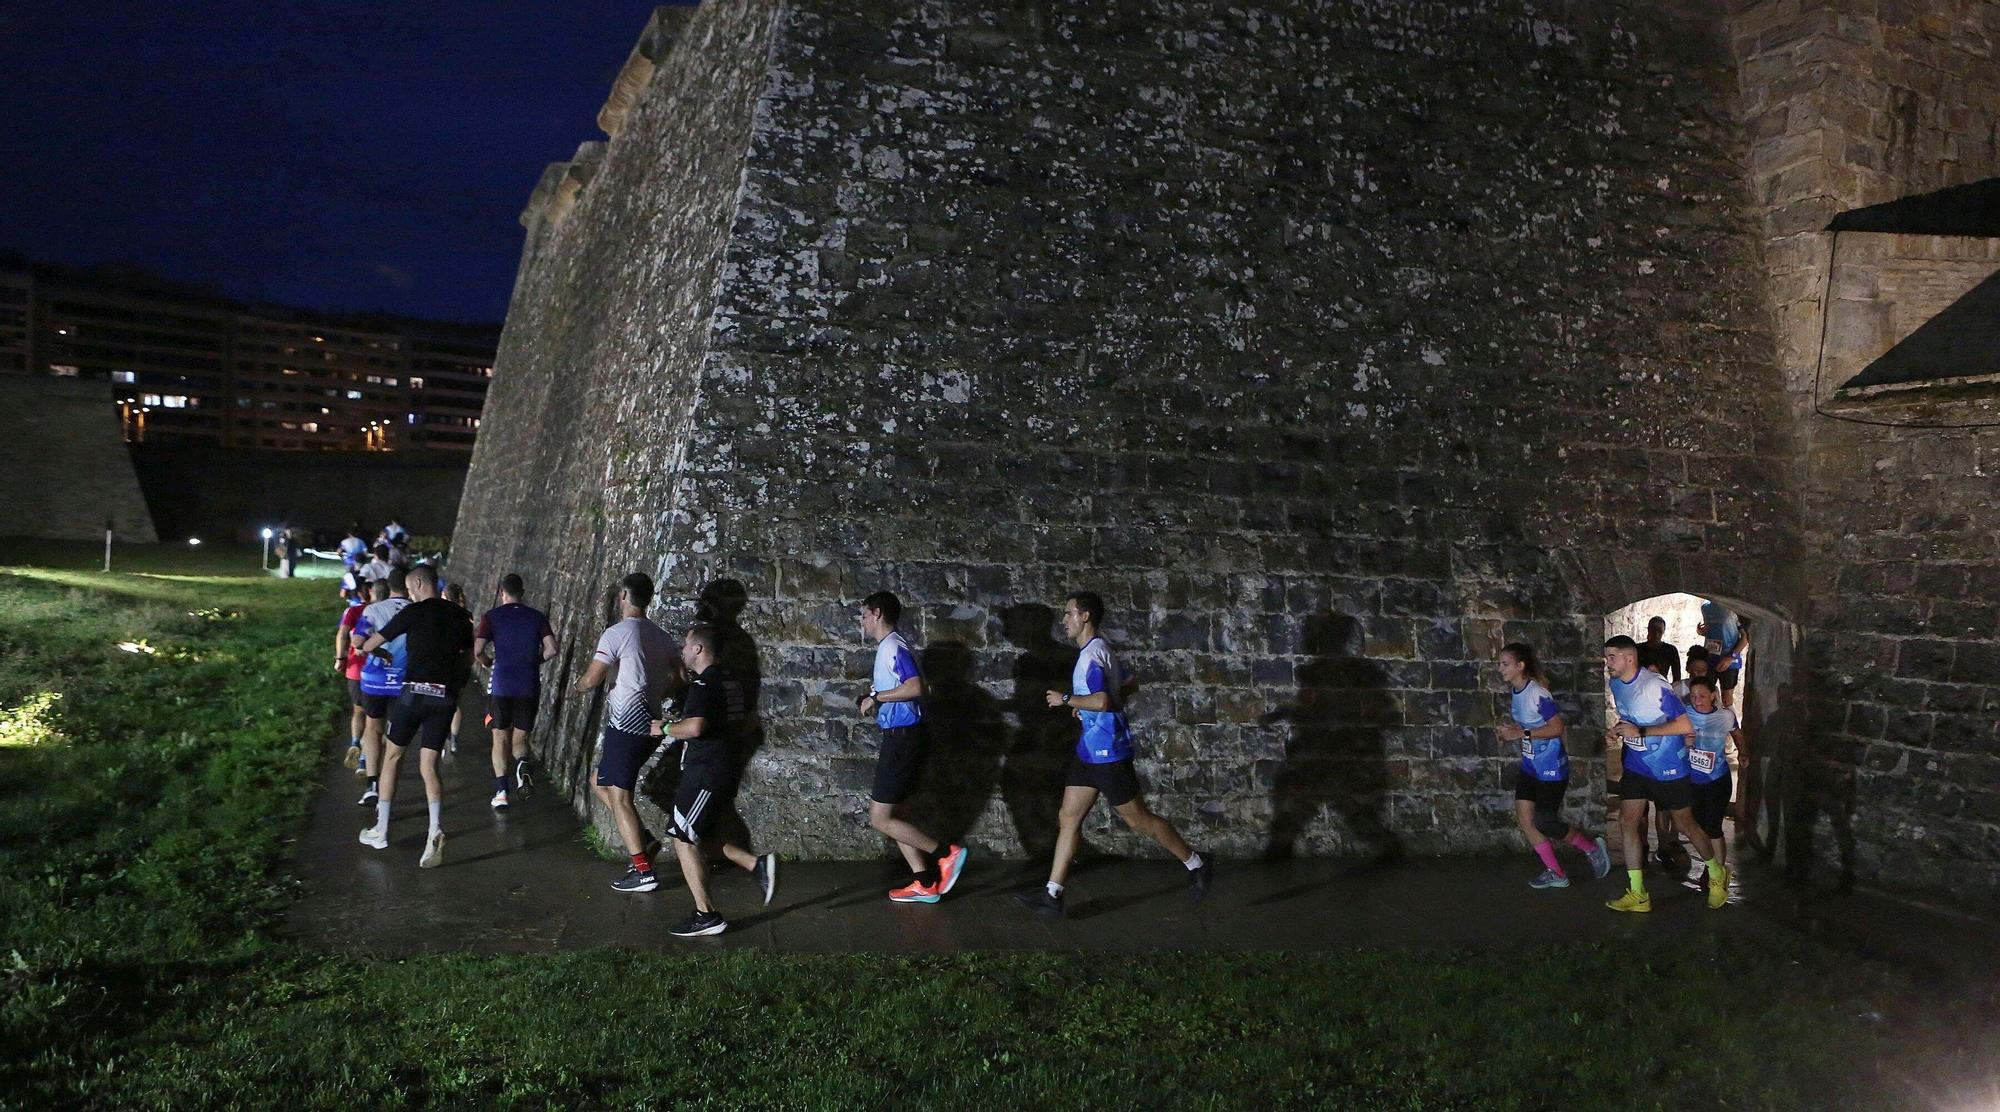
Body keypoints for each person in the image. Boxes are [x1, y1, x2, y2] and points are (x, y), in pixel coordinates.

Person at [1014, 592, 1210, 919]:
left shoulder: (1093, 655)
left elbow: (1103, 700)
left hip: (1107, 752)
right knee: (1068, 817)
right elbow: (1122, 690)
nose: (1064, 620)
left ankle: (1198, 863)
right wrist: (1085, 707)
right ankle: (1052, 895)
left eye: (1068, 614)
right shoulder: (1096, 651)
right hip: (1088, 752)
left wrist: (1067, 699)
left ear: (1085, 616)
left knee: (1139, 820)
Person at [650, 623, 777, 938]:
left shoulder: (706, 685)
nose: (682, 650)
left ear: (699, 649)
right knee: (698, 837)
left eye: (686, 645)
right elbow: (747, 724)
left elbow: (695, 728)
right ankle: (756, 865)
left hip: (705, 772)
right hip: (721, 768)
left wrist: (664, 728)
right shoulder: (731, 682)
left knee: (682, 836)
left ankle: (706, 915)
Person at [356, 564, 473, 867]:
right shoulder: (461, 615)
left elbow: (370, 643)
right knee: (429, 765)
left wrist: (376, 653)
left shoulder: (412, 612)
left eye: (410, 590)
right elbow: (469, 658)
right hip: (444, 697)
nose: (409, 594)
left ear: (419, 583)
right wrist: (455, 685)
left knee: (393, 757)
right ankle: (434, 830)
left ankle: (380, 830)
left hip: (414, 695)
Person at [1601, 635, 1728, 913]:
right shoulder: (1615, 683)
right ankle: (1638, 893)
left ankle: (1717, 874)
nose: (1607, 662)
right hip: (1637, 765)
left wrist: (1642, 732)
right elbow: (1629, 717)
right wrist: (1618, 730)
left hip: (1668, 766)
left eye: (1612, 657)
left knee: (1685, 825)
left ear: (1629, 658)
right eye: (1606, 657)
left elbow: (1683, 724)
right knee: (1627, 821)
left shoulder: (1654, 687)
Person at [855, 591, 967, 903]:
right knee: (895, 815)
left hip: (903, 739)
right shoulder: (889, 647)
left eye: (864, 615)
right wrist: (873, 698)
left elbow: (916, 686)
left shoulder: (892, 645)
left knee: (879, 818)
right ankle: (924, 882)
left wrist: (877, 698)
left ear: (877, 614)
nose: (862, 622)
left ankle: (946, 854)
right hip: (900, 737)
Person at [1495, 643, 1609, 889]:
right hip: (1530, 766)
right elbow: (1527, 728)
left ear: (1520, 666)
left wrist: (1520, 734)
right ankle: (1556, 872)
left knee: (1545, 821)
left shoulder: (1537, 694)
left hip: (1551, 768)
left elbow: (1557, 728)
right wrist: (1511, 733)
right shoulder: (1517, 691)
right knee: (1526, 819)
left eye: (1505, 664)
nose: (1500, 669)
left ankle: (1590, 847)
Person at [475, 573, 556, 811]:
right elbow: (552, 649)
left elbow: (478, 649)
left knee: (499, 736)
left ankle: (501, 792)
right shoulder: (537, 617)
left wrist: (487, 661)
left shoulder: (492, 617)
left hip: (501, 684)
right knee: (520, 739)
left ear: (502, 592)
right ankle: (522, 766)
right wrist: (534, 661)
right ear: (523, 592)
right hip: (528, 684)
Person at [352, 571, 409, 807]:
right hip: (403, 681)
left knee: (373, 728)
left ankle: (372, 786)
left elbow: (357, 643)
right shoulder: (416, 610)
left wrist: (378, 650)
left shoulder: (372, 610)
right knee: (396, 738)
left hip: (374, 680)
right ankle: (388, 792)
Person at [1684, 676, 1742, 880]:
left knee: (1713, 826)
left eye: (1701, 696)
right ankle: (1711, 864)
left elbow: (1737, 734)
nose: (1697, 700)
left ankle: (1716, 872)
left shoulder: (1725, 716)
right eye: (1693, 696)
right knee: (1698, 827)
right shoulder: (1684, 715)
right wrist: (1683, 742)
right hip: (1692, 781)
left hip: (1717, 779)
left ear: (1713, 696)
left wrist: (1744, 753)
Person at [335, 586, 371, 774]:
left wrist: (340, 658)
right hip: (377, 670)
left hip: (355, 668)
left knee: (358, 711)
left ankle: (355, 742)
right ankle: (364, 759)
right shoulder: (383, 610)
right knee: (374, 719)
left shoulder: (353, 610)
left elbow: (342, 634)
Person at [442, 581, 469, 755]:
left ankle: (442, 737)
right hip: (460, 663)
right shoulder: (465, 614)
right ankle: (454, 740)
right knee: (456, 703)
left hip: (442, 663)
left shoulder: (439, 613)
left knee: (441, 701)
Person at [1636, 616, 1679, 685]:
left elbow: (1677, 678)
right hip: (1640, 687)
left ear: (1663, 631)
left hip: (1661, 687)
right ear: (1648, 630)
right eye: (1653, 630)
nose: (1656, 634)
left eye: (1659, 630)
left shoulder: (1670, 650)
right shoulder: (1637, 649)